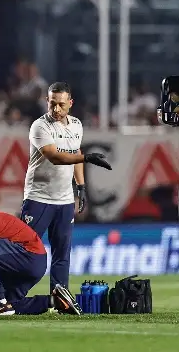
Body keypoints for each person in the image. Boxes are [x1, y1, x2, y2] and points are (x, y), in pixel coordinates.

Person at [20, 82, 112, 292]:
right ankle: (12, 296)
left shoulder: (76, 125)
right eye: (52, 104)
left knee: (62, 253)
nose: (56, 109)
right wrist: (87, 157)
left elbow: (75, 152)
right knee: (24, 249)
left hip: (64, 200)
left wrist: (81, 186)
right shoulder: (40, 126)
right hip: (38, 198)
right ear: (47, 101)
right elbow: (54, 156)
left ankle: (60, 298)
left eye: (61, 104)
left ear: (70, 103)